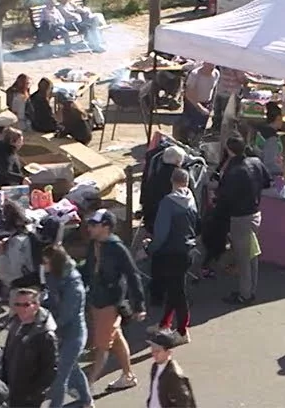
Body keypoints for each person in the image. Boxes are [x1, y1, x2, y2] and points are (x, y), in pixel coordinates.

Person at [83, 208, 146, 390]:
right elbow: (88, 270)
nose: (90, 228)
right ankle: (128, 375)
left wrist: (139, 305)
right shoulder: (93, 245)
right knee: (115, 339)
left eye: (94, 225)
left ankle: (88, 385)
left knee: (102, 346)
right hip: (96, 299)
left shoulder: (117, 248)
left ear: (106, 227)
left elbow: (133, 275)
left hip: (109, 303)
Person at [215, 135, 270, 305]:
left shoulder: (233, 171)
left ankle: (245, 294)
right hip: (255, 214)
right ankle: (250, 289)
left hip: (240, 217)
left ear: (229, 150)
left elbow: (223, 196)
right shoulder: (255, 162)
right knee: (252, 254)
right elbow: (267, 182)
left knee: (244, 258)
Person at [149, 167, 198, 341]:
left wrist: (152, 248)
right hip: (188, 250)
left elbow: (161, 232)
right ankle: (164, 324)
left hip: (171, 252)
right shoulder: (191, 199)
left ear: (172, 181)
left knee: (177, 293)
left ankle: (183, 331)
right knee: (174, 288)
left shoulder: (168, 202)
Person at [42, 245, 94, 408]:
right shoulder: (54, 276)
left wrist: (47, 324)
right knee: (72, 368)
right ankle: (86, 400)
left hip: (74, 335)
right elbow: (51, 300)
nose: (44, 265)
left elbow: (66, 315)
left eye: (46, 262)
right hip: (63, 333)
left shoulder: (74, 285)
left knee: (60, 376)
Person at [0, 287, 59, 407]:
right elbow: (8, 355)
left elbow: (50, 370)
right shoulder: (15, 324)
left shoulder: (45, 335)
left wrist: (33, 394)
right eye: (18, 304)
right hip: (13, 388)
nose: (21, 309)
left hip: (29, 396)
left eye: (26, 304)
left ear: (36, 306)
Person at [145, 330, 197, 408]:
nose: (154, 354)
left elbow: (183, 401)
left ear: (168, 352)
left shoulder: (173, 374)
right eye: (152, 350)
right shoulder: (155, 367)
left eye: (158, 351)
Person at [180, 63, 219, 141]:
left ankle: (197, 144)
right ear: (204, 63)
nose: (212, 66)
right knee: (190, 128)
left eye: (213, 64)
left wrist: (212, 103)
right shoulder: (195, 75)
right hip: (192, 105)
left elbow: (214, 89)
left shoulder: (216, 73)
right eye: (210, 64)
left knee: (201, 129)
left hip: (206, 104)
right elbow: (188, 94)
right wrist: (200, 108)